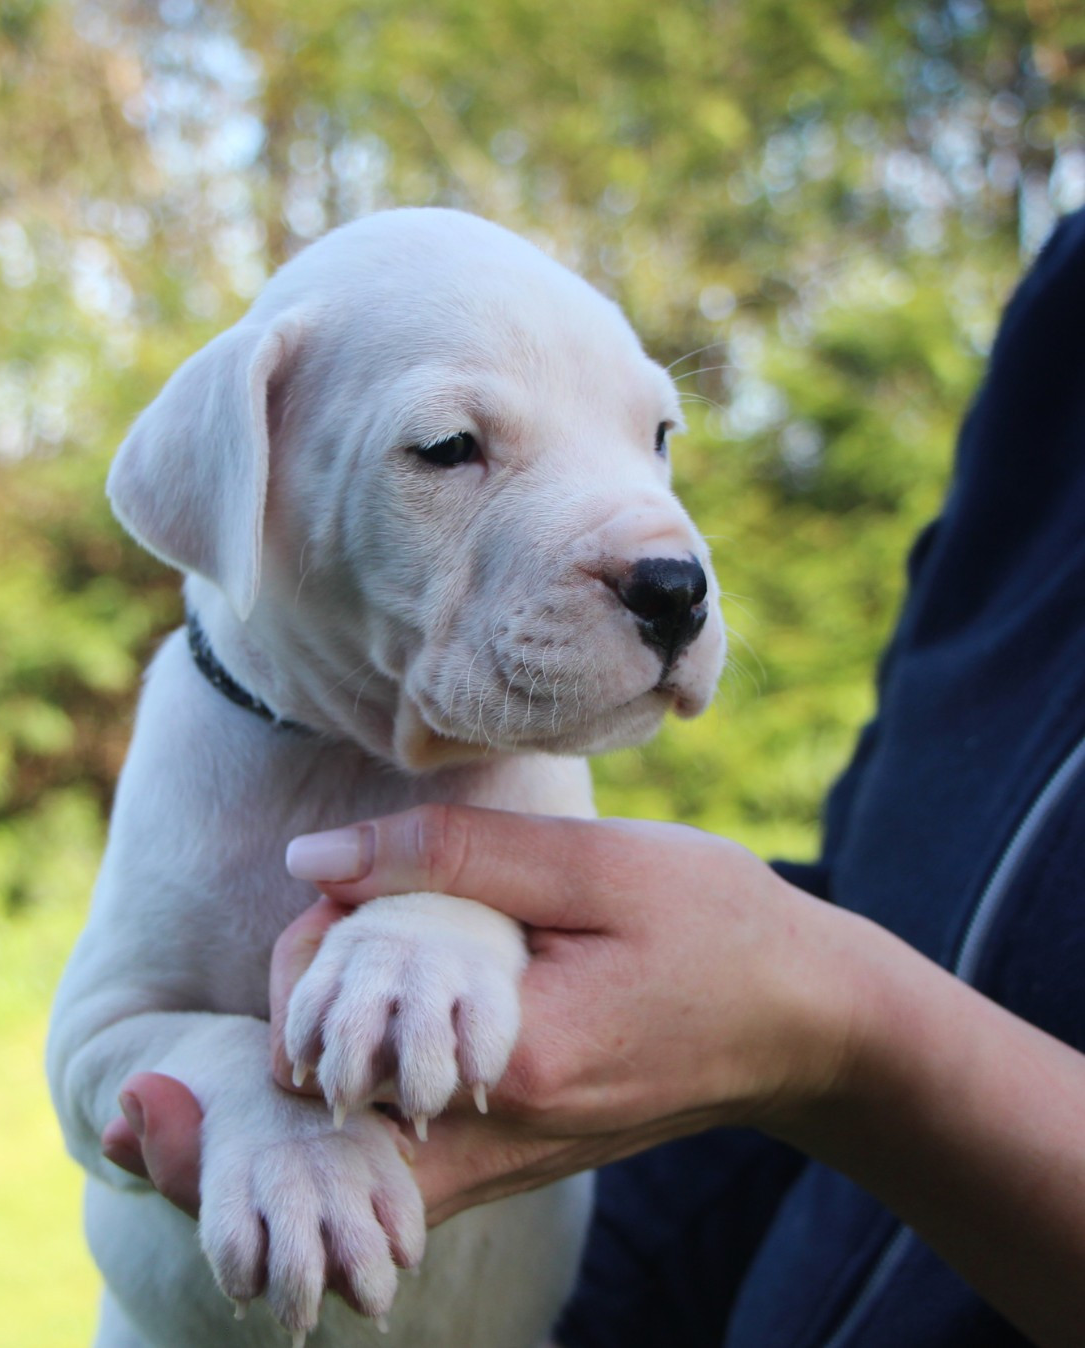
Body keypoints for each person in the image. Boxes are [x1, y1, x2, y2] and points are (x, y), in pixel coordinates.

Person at [101, 209, 1085, 1347]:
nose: (664, 561)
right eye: (447, 447)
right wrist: (236, 1089)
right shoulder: (1063, 323)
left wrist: (458, 931)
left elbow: (549, 966)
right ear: (242, 462)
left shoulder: (511, 752)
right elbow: (101, 1039)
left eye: (652, 435)